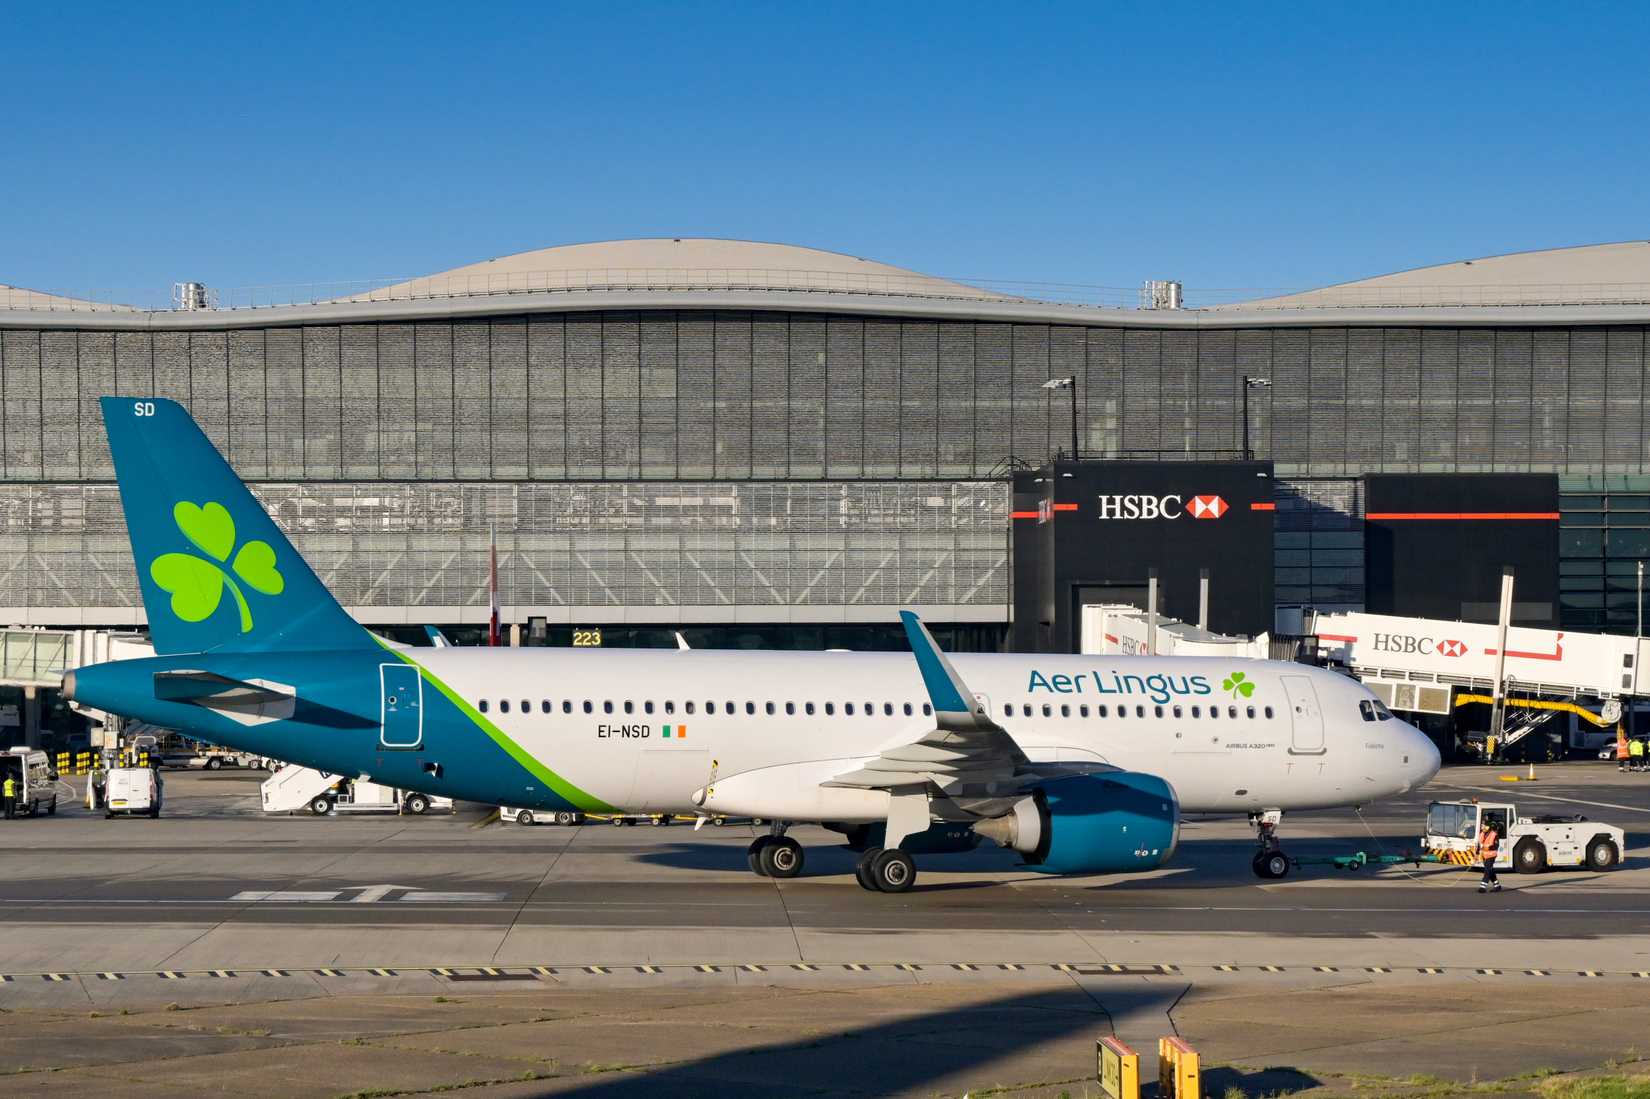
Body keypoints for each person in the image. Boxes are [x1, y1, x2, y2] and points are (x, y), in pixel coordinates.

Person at [1477, 819, 1502, 894]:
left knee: (1487, 870)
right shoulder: (1481, 834)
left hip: (1491, 855)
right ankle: (1497, 886)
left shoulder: (1494, 834)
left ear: (1489, 826)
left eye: (1484, 826)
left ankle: (1482, 887)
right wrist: (1477, 853)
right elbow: (1479, 844)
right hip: (1484, 855)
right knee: (1490, 871)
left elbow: (1495, 846)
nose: (1483, 827)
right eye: (1482, 826)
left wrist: (1486, 847)